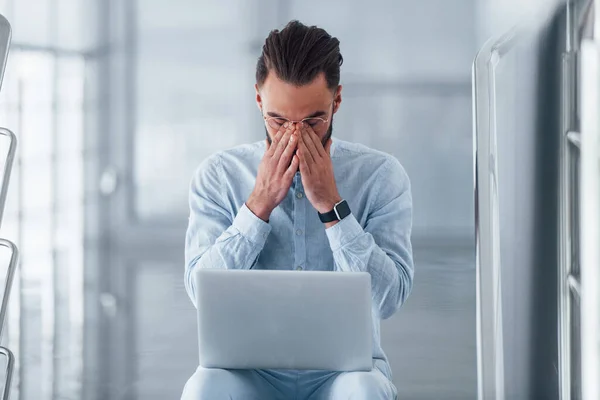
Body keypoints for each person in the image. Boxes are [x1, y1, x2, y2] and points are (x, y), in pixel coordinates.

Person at [181, 20, 413, 400]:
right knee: (203, 389)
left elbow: (389, 300)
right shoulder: (219, 175)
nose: (294, 134)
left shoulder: (380, 175)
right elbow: (198, 292)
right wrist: (257, 206)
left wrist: (332, 207)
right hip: (248, 371)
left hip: (345, 372)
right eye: (278, 120)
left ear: (336, 101)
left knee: (366, 391)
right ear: (259, 99)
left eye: (312, 121)